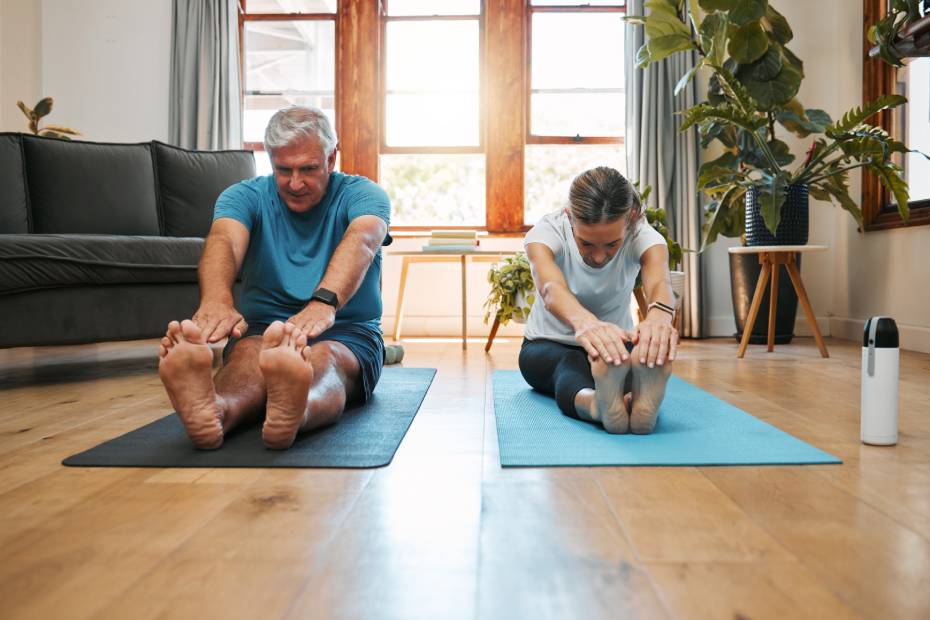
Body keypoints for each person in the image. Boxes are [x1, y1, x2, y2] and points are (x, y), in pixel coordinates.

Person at [158, 105, 391, 450]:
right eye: (284, 170)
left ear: (331, 160)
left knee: (327, 358)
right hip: (262, 328)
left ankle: (298, 409)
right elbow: (224, 240)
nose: (295, 183)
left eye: (308, 169)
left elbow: (364, 240)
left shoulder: (364, 195)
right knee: (249, 355)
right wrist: (217, 300)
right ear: (270, 161)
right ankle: (218, 411)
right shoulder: (243, 197)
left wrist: (323, 303)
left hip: (345, 330)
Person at [518, 167, 678, 434]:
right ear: (569, 218)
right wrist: (587, 324)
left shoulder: (644, 236)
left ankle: (626, 402)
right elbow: (550, 287)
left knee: (626, 359)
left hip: (615, 348)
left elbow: (660, 281)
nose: (600, 257)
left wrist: (659, 320)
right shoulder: (547, 231)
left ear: (631, 218)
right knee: (570, 366)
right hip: (547, 345)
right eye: (587, 244)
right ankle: (600, 404)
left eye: (612, 245)